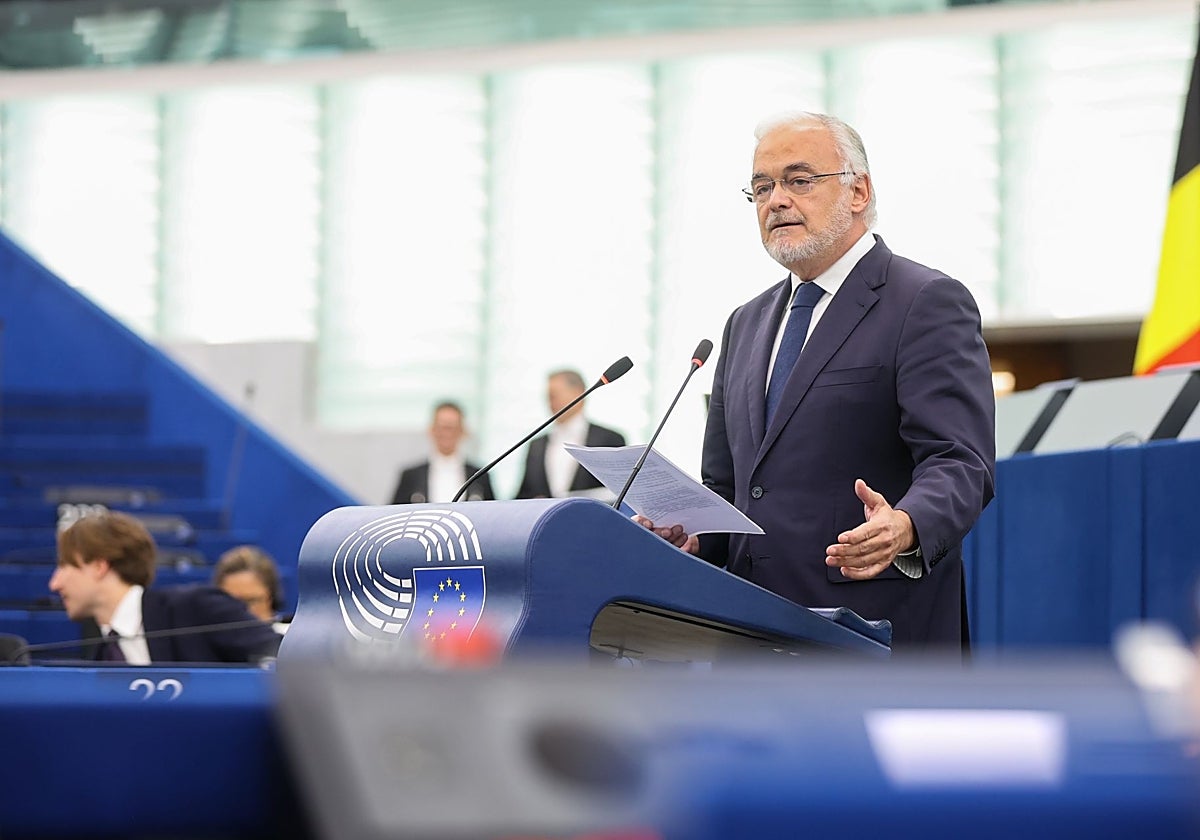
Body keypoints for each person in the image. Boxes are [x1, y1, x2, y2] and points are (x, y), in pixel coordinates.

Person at [638, 111, 995, 649]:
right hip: (748, 635)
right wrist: (690, 534)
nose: (776, 200)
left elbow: (960, 462)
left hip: (871, 633)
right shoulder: (745, 322)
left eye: (798, 180)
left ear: (859, 191)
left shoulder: (923, 301)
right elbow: (730, 489)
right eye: (762, 187)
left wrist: (905, 525)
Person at [49, 511, 281, 664]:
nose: (54, 583)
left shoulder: (195, 608)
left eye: (64, 566)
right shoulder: (101, 657)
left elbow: (282, 655)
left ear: (99, 566)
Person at [515, 369, 626, 499]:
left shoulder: (610, 439)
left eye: (554, 395)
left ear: (578, 393)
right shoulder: (536, 445)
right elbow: (522, 495)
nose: (550, 402)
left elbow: (620, 494)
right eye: (548, 397)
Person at [391, 401, 495, 504]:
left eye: (452, 428)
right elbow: (395, 514)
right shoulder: (411, 476)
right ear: (431, 430)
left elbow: (493, 515)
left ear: (463, 431)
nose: (447, 433)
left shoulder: (480, 476)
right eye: (442, 427)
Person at [213, 544, 290, 634]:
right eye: (231, 603)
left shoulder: (289, 639)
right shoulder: (203, 642)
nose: (242, 612)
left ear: (271, 598)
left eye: (251, 601)